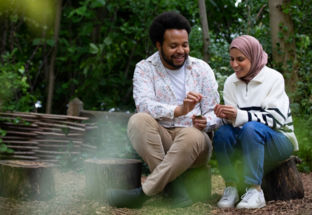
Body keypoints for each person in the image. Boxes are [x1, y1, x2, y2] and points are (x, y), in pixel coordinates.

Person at [106, 11, 222, 209]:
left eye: (184, 45)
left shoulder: (202, 69)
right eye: (173, 46)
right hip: (162, 141)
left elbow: (215, 113)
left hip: (196, 145)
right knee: (138, 120)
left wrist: (207, 121)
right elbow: (144, 105)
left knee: (191, 134)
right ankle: (175, 188)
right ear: (158, 45)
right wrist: (178, 109)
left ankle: (142, 194)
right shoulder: (144, 68)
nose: (181, 51)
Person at [213, 35, 298, 209]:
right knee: (222, 133)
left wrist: (240, 114)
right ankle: (231, 187)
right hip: (247, 141)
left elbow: (276, 119)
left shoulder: (274, 78)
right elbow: (234, 124)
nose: (234, 64)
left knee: (251, 128)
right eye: (232, 59)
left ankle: (255, 191)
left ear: (254, 56)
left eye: (240, 59)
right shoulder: (230, 82)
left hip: (279, 140)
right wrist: (224, 116)